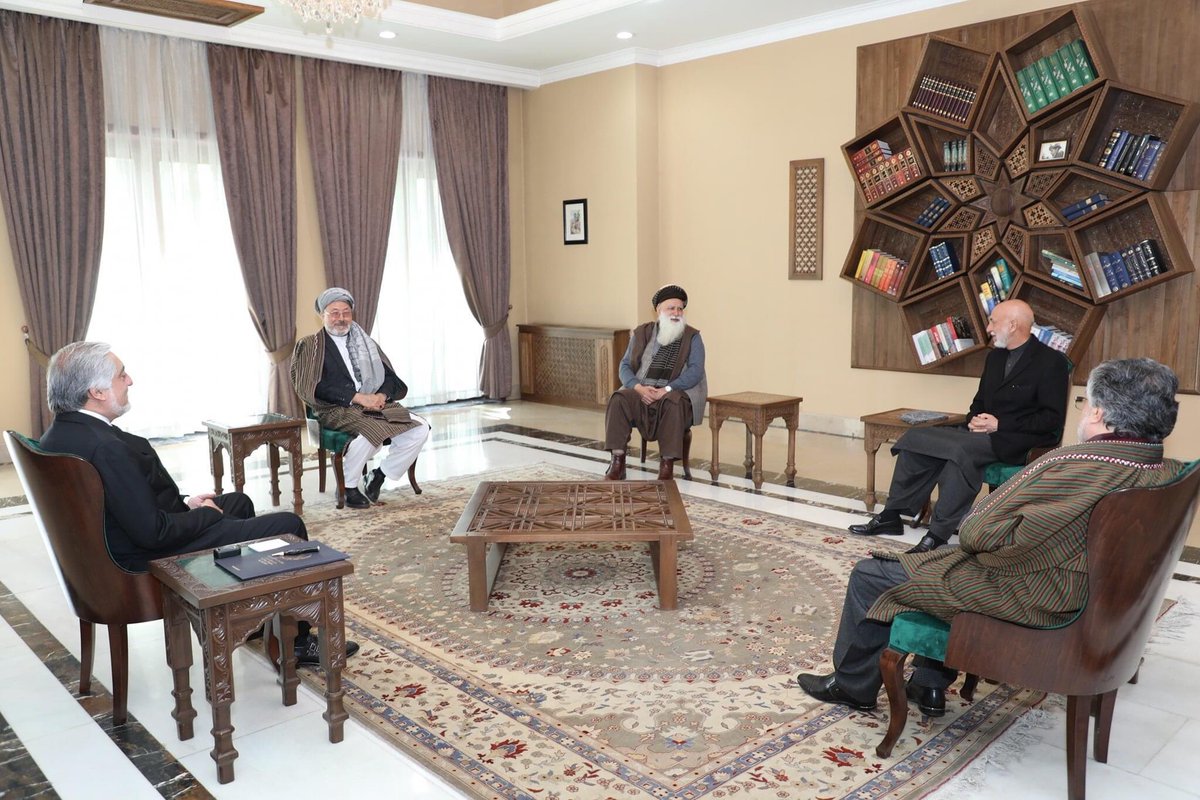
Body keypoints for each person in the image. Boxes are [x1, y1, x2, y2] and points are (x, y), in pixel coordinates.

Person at [799, 357, 1187, 717]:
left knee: (873, 574)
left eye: (1085, 403)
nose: (1083, 410)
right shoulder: (1166, 469)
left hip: (1035, 596)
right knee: (940, 565)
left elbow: (974, 531)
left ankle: (852, 686)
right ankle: (928, 684)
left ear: (1099, 413)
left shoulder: (1070, 464)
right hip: (1091, 594)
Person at [39, 342, 352, 665]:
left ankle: (254, 620)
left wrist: (186, 504)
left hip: (113, 548)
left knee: (239, 503)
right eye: (121, 375)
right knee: (288, 525)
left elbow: (124, 501)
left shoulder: (61, 434)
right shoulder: (105, 448)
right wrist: (204, 516)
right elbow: (153, 533)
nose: (129, 380)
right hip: (144, 562)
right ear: (97, 392)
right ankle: (297, 643)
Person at [850, 299, 1068, 553]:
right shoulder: (995, 357)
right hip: (979, 434)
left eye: (993, 322)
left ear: (1012, 325)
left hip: (1016, 440)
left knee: (960, 453)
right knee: (917, 439)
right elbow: (979, 402)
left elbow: (1051, 419)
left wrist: (1000, 425)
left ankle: (938, 534)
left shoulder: (1051, 362)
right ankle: (891, 515)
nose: (988, 328)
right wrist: (975, 419)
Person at [292, 288, 430, 509]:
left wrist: (380, 395)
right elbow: (311, 386)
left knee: (420, 428)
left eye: (346, 312)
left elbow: (389, 378)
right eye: (334, 313)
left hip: (375, 403)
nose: (341, 318)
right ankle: (348, 487)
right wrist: (357, 398)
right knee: (371, 431)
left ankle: (379, 475)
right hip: (334, 408)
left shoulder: (365, 341)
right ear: (322, 315)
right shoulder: (311, 345)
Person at [603, 284, 707, 481]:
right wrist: (638, 388)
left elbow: (695, 371)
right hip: (642, 390)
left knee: (674, 402)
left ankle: (666, 466)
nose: (676, 313)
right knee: (618, 398)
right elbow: (624, 365)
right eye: (671, 308)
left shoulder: (692, 337)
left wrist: (666, 389)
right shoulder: (642, 333)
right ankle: (617, 462)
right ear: (658, 310)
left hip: (672, 393)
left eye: (680, 309)